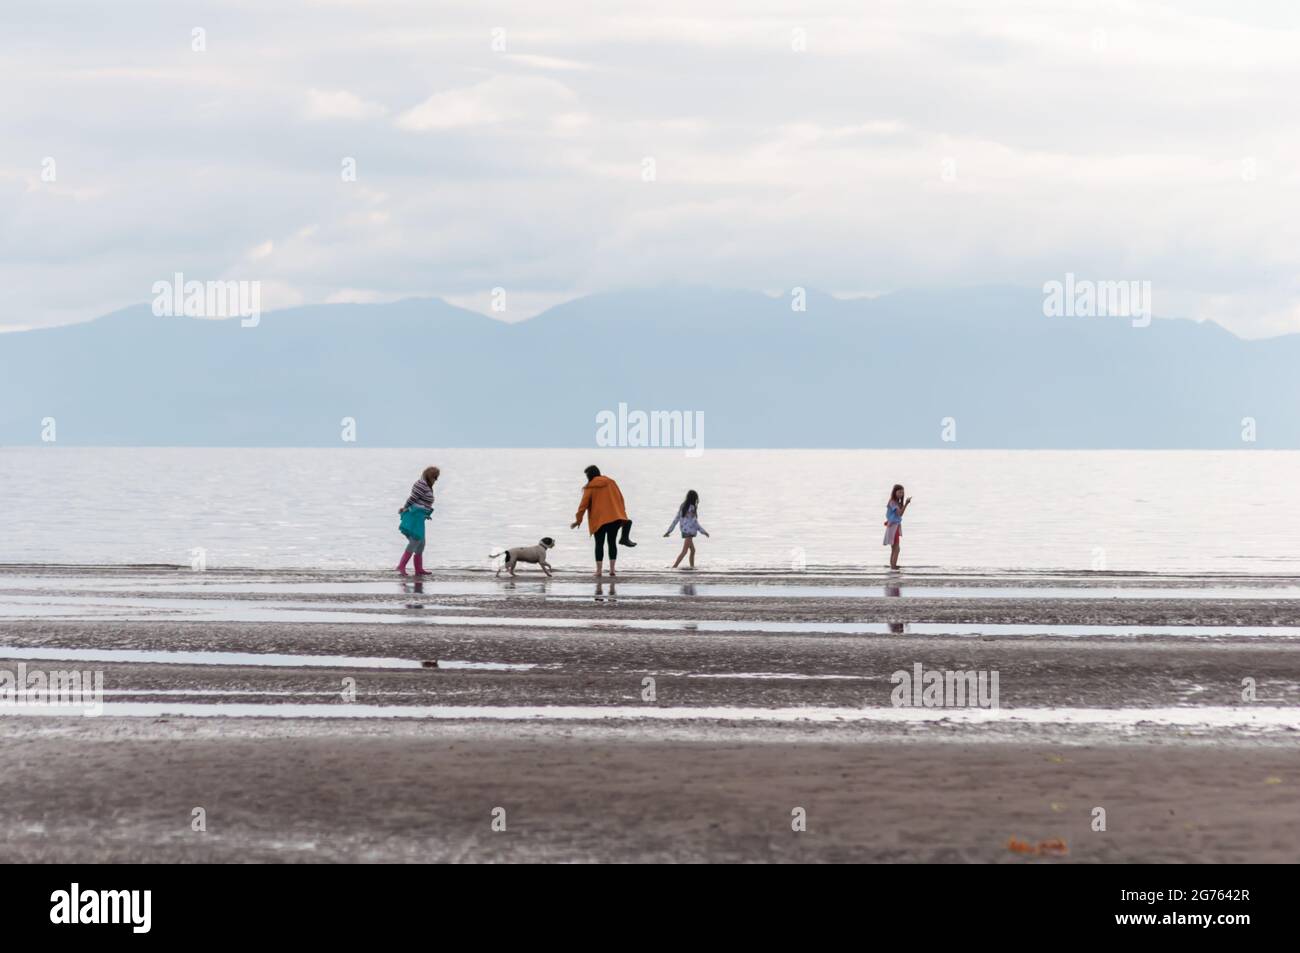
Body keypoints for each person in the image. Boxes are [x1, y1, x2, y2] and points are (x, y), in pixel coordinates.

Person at [570, 465, 636, 577]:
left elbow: (583, 505)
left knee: (599, 544)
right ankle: (612, 570)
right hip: (614, 518)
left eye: (587, 475)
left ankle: (599, 571)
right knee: (612, 543)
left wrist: (578, 520)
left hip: (599, 520)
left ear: (589, 475)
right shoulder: (611, 483)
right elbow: (620, 498)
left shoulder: (590, 487)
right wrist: (622, 514)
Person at [396, 466, 440, 576]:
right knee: (415, 541)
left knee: (421, 543)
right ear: (429, 476)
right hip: (414, 516)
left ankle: (418, 569)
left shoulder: (426, 485)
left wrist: (426, 513)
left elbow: (422, 502)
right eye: (435, 477)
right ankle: (401, 566)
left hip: (419, 517)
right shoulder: (421, 484)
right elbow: (412, 498)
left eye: (437, 477)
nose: (436, 480)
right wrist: (404, 507)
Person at [664, 489, 710, 569]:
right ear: (694, 498)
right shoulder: (692, 508)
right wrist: (704, 532)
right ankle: (674, 567)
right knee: (684, 551)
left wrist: (669, 531)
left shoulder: (683, 505)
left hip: (684, 531)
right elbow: (695, 522)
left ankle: (692, 566)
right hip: (689, 532)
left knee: (692, 550)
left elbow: (676, 519)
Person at [883, 483, 911, 570]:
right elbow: (900, 514)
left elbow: (899, 514)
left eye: (902, 493)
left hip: (895, 526)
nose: (901, 494)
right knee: (896, 548)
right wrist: (906, 504)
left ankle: (892, 565)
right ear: (894, 492)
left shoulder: (896, 503)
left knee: (894, 548)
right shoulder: (892, 502)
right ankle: (893, 566)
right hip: (893, 527)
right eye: (899, 492)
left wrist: (904, 504)